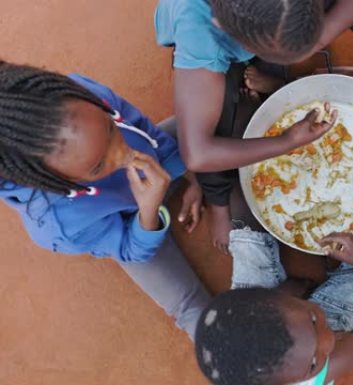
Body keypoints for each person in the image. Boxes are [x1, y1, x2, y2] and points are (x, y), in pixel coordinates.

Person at [154, 0, 353, 253]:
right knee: (221, 113)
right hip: (221, 44)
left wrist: (320, 38)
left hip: (265, 28)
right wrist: (287, 141)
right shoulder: (201, 33)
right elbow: (198, 153)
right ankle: (218, 201)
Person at [0, 61, 209, 339]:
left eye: (110, 129)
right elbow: (128, 249)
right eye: (98, 166)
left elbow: (148, 133)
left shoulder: (84, 95)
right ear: (55, 181)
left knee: (208, 116)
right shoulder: (58, 223)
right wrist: (148, 213)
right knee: (192, 308)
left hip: (157, 168)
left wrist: (190, 175)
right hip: (128, 229)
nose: (123, 154)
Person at [195, 231, 353, 385]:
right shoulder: (312, 375)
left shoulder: (242, 312)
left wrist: (283, 293)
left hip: (261, 308)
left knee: (246, 216)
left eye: (314, 322)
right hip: (297, 317)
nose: (330, 340)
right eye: (314, 365)